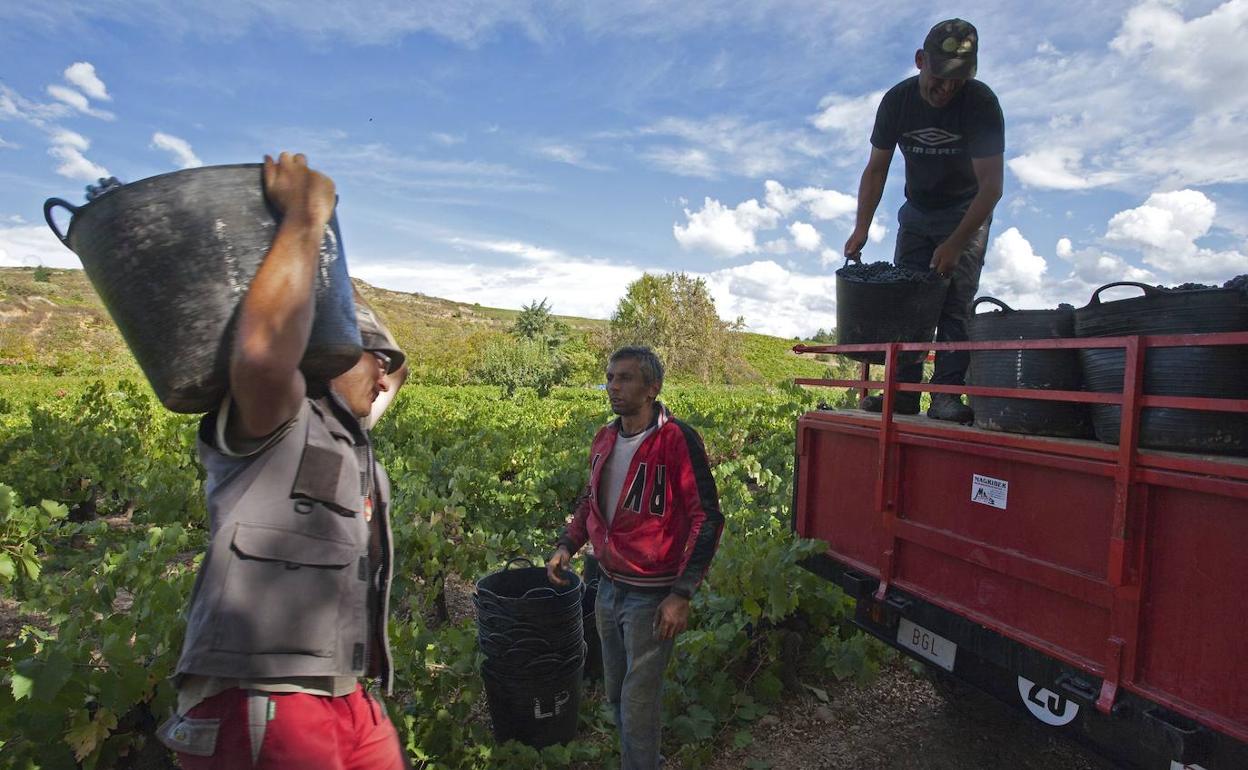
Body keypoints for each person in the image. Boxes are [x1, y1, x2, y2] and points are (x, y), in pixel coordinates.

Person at [157, 152, 410, 769]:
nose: (385, 383)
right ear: (332, 351)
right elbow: (268, 354)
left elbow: (389, 381)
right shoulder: (277, 418)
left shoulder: (353, 442)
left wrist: (372, 340)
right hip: (262, 698)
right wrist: (304, 216)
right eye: (378, 362)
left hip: (349, 696)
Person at [546, 346, 723, 770]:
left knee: (638, 700)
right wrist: (567, 544)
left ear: (652, 388)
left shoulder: (676, 439)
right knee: (614, 694)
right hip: (607, 586)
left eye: (624, 378)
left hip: (651, 596)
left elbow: (708, 517)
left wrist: (681, 593)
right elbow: (589, 501)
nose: (613, 386)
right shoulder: (605, 438)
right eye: (610, 377)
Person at [844, 18, 1004, 424]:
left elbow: (991, 188)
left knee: (954, 303)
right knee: (908, 302)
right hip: (917, 211)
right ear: (920, 61)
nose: (948, 88)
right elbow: (877, 168)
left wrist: (955, 243)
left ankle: (947, 397)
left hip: (967, 212)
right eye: (940, 77)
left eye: (959, 80)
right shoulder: (897, 102)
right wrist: (862, 226)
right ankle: (903, 395)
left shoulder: (981, 104)